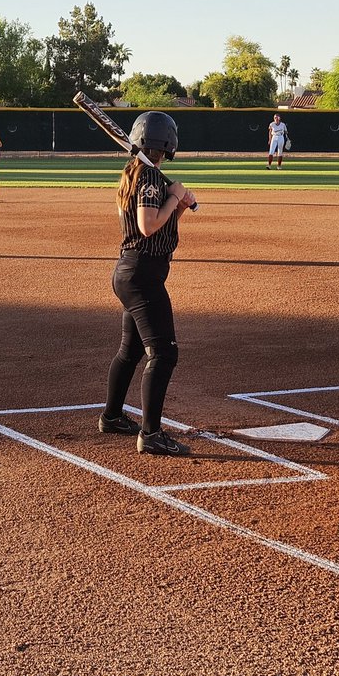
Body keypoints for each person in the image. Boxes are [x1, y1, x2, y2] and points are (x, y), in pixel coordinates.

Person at [99, 111, 198, 456]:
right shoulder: (151, 178)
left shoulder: (138, 174)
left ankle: (112, 417)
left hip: (133, 272)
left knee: (132, 351)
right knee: (164, 353)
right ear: (167, 143)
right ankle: (152, 434)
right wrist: (174, 195)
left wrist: (180, 203)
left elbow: (163, 223)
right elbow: (147, 225)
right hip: (142, 277)